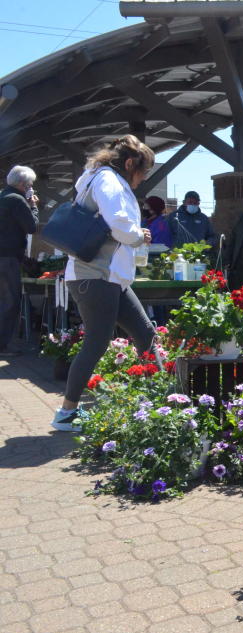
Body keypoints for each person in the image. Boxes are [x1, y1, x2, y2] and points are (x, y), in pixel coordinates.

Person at [50, 135, 158, 432]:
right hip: (96, 277)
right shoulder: (107, 180)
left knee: (146, 335)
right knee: (96, 344)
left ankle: (158, 400)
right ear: (129, 164)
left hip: (108, 278)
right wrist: (139, 235)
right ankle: (66, 414)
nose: (143, 179)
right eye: (143, 172)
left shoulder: (95, 177)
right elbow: (119, 222)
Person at [0, 165, 39, 357]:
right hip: (7, 259)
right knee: (10, 302)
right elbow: (32, 227)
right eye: (30, 184)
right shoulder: (17, 200)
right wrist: (33, 206)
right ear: (24, 185)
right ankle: (3, 347)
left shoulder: (2, 196)